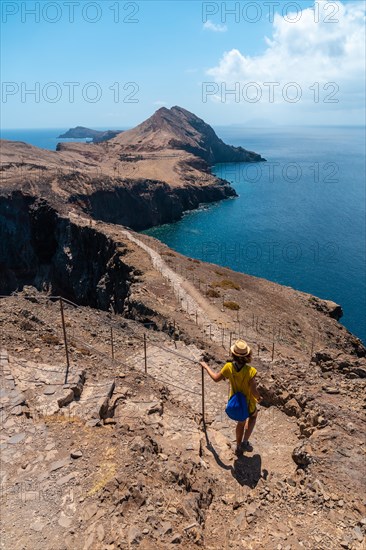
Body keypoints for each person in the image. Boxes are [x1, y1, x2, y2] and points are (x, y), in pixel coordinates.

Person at [200, 339, 261, 456]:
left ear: (233, 354)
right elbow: (254, 391)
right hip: (248, 403)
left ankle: (238, 448)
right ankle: (245, 442)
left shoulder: (228, 367)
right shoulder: (251, 371)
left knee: (241, 422)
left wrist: (206, 366)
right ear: (248, 355)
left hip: (236, 402)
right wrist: (259, 398)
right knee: (253, 417)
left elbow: (216, 378)